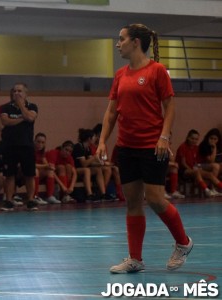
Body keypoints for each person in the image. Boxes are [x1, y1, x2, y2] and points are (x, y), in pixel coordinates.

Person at [96, 24, 193, 273]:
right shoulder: (120, 75)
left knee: (156, 200)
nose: (118, 44)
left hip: (153, 146)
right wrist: (101, 141)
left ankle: (183, 243)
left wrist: (164, 137)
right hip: (126, 148)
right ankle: (135, 259)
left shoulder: (157, 71)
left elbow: (170, 107)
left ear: (136, 42)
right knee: (132, 203)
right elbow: (110, 112)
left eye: (121, 39)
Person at [0, 82, 38, 211]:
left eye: (20, 91)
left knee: (29, 174)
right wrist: (23, 118)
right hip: (10, 145)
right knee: (9, 174)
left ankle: (31, 200)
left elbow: (31, 117)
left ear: (26, 94)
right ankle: (9, 200)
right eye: (14, 91)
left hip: (26, 145)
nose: (16, 93)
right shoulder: (6, 107)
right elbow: (5, 121)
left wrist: (21, 106)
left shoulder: (32, 106)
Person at [176, 129, 222, 197]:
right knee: (197, 172)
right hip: (184, 170)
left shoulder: (196, 148)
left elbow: (200, 161)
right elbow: (183, 163)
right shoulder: (183, 147)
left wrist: (199, 167)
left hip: (194, 168)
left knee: (210, 175)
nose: (194, 141)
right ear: (188, 138)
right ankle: (206, 190)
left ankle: (215, 188)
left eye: (196, 139)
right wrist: (193, 169)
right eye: (192, 138)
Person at [72, 128, 111, 201]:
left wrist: (101, 164)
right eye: (94, 137)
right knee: (87, 170)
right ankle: (89, 194)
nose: (95, 138)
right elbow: (84, 164)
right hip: (75, 169)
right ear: (89, 139)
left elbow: (91, 163)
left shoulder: (88, 148)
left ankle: (103, 194)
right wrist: (94, 157)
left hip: (83, 168)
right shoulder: (79, 146)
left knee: (98, 170)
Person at [91, 123, 124, 201]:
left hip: (103, 165)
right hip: (95, 166)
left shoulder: (103, 146)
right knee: (108, 169)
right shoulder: (90, 146)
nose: (100, 138)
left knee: (115, 169)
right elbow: (93, 160)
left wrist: (109, 163)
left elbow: (105, 159)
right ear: (94, 136)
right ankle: (103, 192)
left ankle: (119, 193)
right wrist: (105, 163)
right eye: (98, 136)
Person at [34, 132, 59, 204]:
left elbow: (46, 164)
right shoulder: (30, 150)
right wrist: (46, 166)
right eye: (38, 142)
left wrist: (50, 166)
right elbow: (30, 165)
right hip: (26, 175)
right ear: (34, 141)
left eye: (42, 142)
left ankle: (50, 196)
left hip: (38, 174)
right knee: (35, 170)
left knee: (50, 171)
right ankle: (35, 197)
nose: (40, 144)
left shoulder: (42, 152)